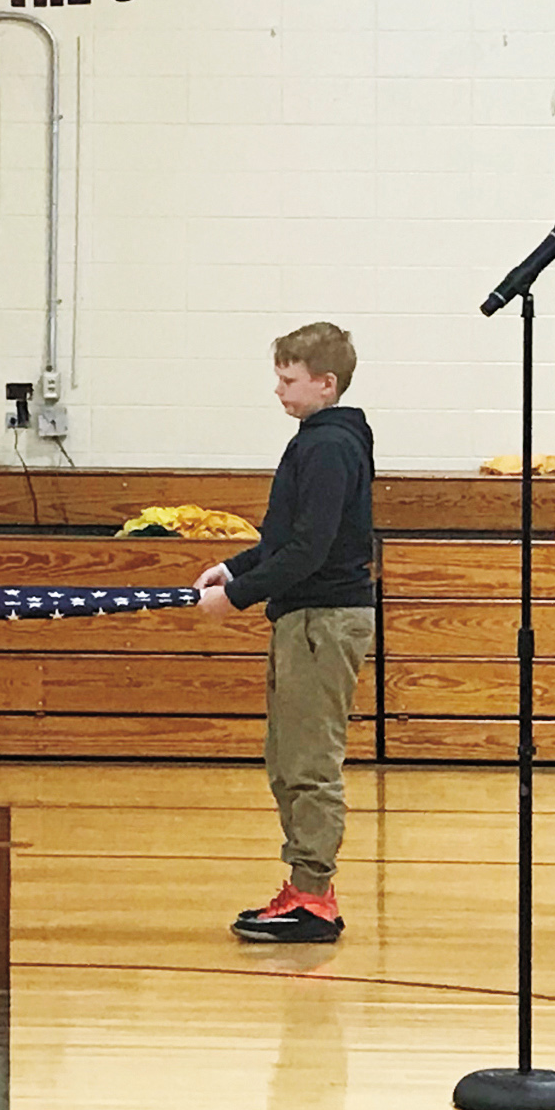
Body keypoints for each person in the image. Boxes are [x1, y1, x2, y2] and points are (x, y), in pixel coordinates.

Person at [194, 322, 375, 944]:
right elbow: (283, 540)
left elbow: (309, 548)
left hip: (323, 621)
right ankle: (304, 886)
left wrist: (237, 597)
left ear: (326, 384)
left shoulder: (329, 447)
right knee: (287, 758)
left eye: (289, 378)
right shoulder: (317, 440)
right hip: (305, 619)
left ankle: (313, 897)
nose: (278, 389)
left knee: (309, 762)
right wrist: (236, 566)